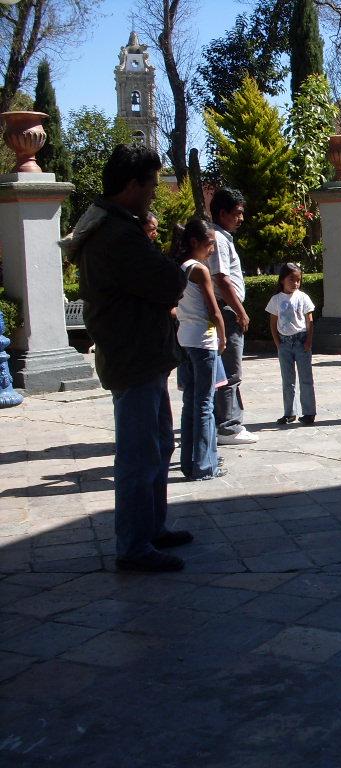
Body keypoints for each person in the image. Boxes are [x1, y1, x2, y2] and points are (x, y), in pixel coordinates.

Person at [66, 143, 191, 572]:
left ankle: (151, 529)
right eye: (152, 184)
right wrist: (176, 263)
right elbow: (168, 283)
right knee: (139, 454)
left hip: (143, 355)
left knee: (157, 446)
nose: (155, 192)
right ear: (132, 185)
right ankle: (133, 545)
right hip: (133, 356)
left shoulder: (118, 226)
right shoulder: (117, 235)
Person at [173, 217, 227, 481]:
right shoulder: (199, 270)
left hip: (185, 339)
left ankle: (189, 462)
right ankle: (205, 465)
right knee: (205, 404)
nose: (212, 249)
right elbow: (213, 309)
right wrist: (223, 335)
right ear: (195, 242)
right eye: (210, 244)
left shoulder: (180, 267)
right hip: (203, 342)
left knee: (190, 403)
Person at [208, 187, 258, 445]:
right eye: (237, 213)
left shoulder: (221, 237)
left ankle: (228, 422)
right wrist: (240, 310)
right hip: (227, 312)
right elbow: (222, 279)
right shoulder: (217, 238)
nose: (241, 218)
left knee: (228, 370)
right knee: (230, 371)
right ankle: (228, 426)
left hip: (227, 310)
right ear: (223, 212)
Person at [266, 263, 316, 425]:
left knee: (306, 378)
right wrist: (278, 343)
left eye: (298, 280)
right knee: (288, 380)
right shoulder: (276, 300)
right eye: (291, 279)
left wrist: (308, 340)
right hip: (285, 343)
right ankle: (289, 412)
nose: (295, 283)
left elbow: (309, 320)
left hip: (301, 341)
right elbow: (273, 323)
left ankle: (309, 412)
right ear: (282, 280)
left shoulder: (303, 297)